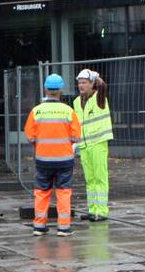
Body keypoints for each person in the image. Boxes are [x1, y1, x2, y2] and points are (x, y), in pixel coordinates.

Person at [24, 74, 82, 236]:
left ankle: (39, 226)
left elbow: (30, 137)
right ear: (61, 90)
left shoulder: (37, 111)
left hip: (43, 159)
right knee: (63, 192)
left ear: (45, 89)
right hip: (64, 160)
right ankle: (63, 227)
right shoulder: (68, 111)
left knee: (42, 192)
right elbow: (76, 137)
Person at [74, 68, 113, 222]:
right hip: (84, 145)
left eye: (84, 82)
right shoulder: (76, 102)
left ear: (92, 84)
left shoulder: (99, 98)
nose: (81, 85)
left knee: (100, 178)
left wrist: (97, 77)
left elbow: (103, 87)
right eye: (79, 83)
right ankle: (92, 210)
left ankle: (101, 211)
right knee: (90, 180)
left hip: (98, 143)